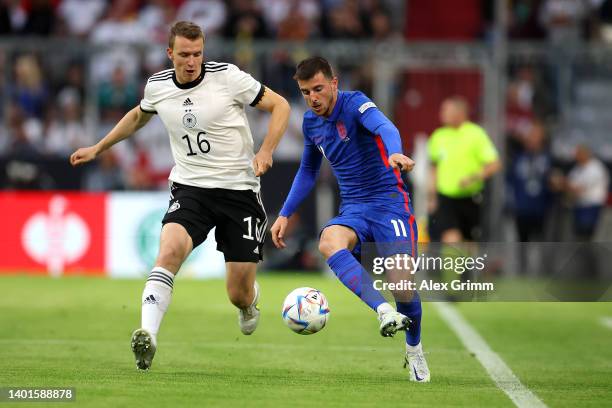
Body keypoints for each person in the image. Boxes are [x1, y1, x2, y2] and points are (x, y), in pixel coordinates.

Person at [70, 21, 291, 370]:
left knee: (237, 292)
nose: (192, 61)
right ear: (170, 53)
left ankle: (249, 303)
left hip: (240, 191)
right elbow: (138, 117)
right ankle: (148, 335)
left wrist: (266, 151)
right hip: (191, 188)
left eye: (198, 53)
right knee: (169, 251)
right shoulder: (157, 86)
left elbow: (280, 106)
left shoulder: (229, 77)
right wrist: (99, 147)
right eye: (185, 54)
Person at [270, 57, 430, 382]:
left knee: (402, 286)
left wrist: (395, 151)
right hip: (354, 209)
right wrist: (285, 213)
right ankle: (383, 311)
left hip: (389, 205)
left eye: (318, 88)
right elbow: (308, 170)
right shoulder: (311, 124)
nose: (313, 97)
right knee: (328, 242)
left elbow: (386, 127)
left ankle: (414, 350)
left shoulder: (355, 103)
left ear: (333, 83)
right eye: (305, 92)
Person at [428, 97, 501, 243]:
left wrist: (473, 177)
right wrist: (432, 196)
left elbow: (494, 164)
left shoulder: (476, 134)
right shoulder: (438, 136)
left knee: (468, 241)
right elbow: (434, 167)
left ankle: (465, 265)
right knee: (450, 238)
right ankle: (451, 267)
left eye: (446, 110)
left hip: (471, 197)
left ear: (459, 113)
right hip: (446, 197)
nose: (442, 114)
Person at [566, 144, 610, 241]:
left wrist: (563, 183)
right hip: (579, 206)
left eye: (579, 153)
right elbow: (569, 185)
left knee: (587, 234)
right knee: (578, 234)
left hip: (592, 207)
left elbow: (578, 188)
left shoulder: (596, 167)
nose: (576, 156)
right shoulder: (577, 169)